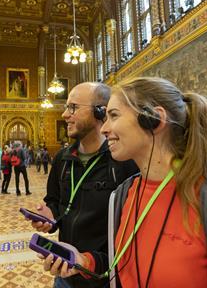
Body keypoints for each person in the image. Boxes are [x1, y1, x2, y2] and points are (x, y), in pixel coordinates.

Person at [44, 77, 207, 288]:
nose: (104, 128)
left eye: (113, 115)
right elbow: (124, 266)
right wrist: (85, 261)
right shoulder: (125, 194)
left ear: (154, 119)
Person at [30, 82, 139, 288]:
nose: (64, 114)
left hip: (105, 277)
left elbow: (134, 234)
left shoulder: (123, 160)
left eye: (73, 107)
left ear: (100, 112)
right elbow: (55, 201)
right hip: (65, 274)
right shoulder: (63, 158)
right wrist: (51, 216)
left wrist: (90, 261)